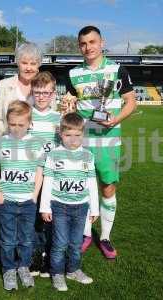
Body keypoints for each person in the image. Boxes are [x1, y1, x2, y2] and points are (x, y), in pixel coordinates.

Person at [64, 25, 137, 259]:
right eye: (83, 44)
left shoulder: (117, 70)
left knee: (107, 187)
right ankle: (86, 234)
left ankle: (104, 237)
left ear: (101, 43)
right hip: (81, 142)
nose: (88, 47)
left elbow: (131, 102)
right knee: (83, 188)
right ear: (79, 46)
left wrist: (115, 120)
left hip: (108, 141)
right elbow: (70, 105)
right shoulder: (73, 74)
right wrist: (67, 106)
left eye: (92, 42)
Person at [0, 100, 45, 291]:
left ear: (29, 123)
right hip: (8, 201)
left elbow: (39, 170)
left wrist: (35, 194)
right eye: (12, 124)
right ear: (7, 122)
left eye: (21, 124)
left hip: (28, 201)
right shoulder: (2, 142)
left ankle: (23, 266)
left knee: (27, 238)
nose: (16, 128)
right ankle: (8, 269)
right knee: (7, 239)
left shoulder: (35, 143)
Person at [39, 113, 99, 291]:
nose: (73, 140)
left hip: (81, 208)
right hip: (59, 207)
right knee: (60, 243)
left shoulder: (88, 156)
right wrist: (44, 207)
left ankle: (73, 270)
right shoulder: (54, 155)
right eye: (68, 135)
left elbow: (91, 184)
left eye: (77, 135)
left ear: (83, 134)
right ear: (60, 134)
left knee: (75, 243)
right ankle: (57, 273)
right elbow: (48, 182)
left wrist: (94, 209)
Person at [28, 71, 61, 277]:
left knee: (50, 219)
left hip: (52, 179)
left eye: (46, 93)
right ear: (32, 92)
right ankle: (35, 256)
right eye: (38, 92)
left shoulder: (59, 118)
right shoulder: (26, 115)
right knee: (32, 219)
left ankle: (49, 257)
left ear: (53, 94)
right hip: (31, 178)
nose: (41, 96)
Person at [0, 42, 43, 139]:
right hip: (10, 145)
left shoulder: (46, 88)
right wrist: (1, 141)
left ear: (38, 65)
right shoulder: (2, 86)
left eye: (33, 64)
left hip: (38, 145)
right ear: (18, 63)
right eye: (24, 63)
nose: (28, 68)